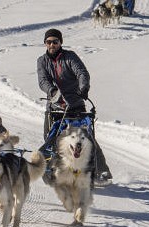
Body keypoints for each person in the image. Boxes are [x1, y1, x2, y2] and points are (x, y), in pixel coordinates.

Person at [36, 28, 113, 185]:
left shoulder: (70, 57)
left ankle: (100, 170)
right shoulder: (42, 61)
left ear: (60, 43)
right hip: (55, 107)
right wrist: (51, 91)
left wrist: (83, 88)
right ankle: (55, 170)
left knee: (86, 139)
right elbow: (43, 80)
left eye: (55, 42)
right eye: (49, 42)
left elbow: (82, 73)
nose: (52, 45)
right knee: (50, 139)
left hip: (75, 106)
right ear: (45, 44)